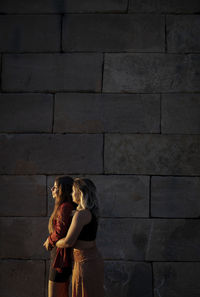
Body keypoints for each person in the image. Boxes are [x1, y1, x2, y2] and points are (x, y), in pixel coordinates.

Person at [56, 177, 104, 297]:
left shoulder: (81, 214)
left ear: (81, 193)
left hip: (85, 263)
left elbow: (68, 242)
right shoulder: (90, 212)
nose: (71, 194)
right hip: (90, 260)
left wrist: (55, 242)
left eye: (73, 190)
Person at [43, 176, 75, 297]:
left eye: (55, 187)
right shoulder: (64, 206)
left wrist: (49, 241)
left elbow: (60, 232)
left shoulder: (65, 207)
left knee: (55, 292)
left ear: (62, 190)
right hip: (60, 255)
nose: (52, 189)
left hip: (60, 257)